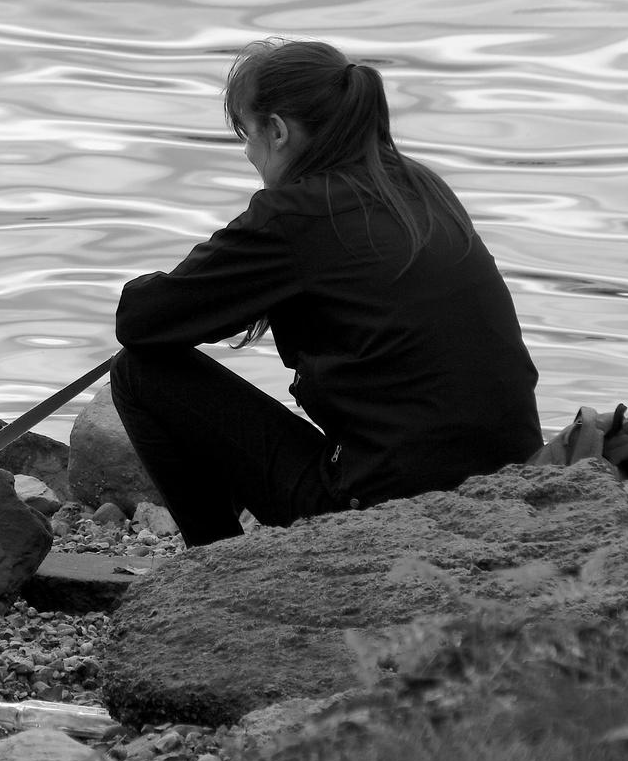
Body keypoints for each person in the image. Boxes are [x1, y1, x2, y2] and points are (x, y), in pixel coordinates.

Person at [112, 38, 542, 547]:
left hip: (386, 511)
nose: (249, 155)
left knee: (140, 373)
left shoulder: (296, 215)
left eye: (247, 136)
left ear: (277, 131)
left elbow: (140, 321)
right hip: (509, 487)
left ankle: (217, 567)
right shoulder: (421, 189)